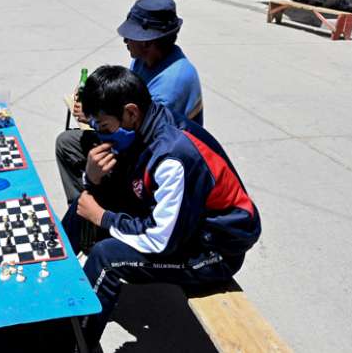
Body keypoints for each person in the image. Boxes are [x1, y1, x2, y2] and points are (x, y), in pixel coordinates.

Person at [60, 65, 261, 349]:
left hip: (214, 249)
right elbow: (115, 190)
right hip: (181, 226)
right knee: (84, 204)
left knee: (107, 257)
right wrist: (91, 180)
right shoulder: (142, 126)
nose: (103, 136)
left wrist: (103, 218)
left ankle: (77, 344)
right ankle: (54, 281)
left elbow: (159, 239)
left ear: (130, 112)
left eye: (105, 127)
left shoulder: (172, 155)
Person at [56, 0, 203, 204]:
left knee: (97, 168)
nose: (125, 40)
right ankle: (82, 209)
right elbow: (122, 98)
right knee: (66, 142)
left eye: (130, 36)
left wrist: (93, 120)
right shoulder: (145, 60)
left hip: (151, 154)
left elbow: (137, 137)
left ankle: (97, 214)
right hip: (133, 137)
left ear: (148, 42)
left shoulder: (173, 82)